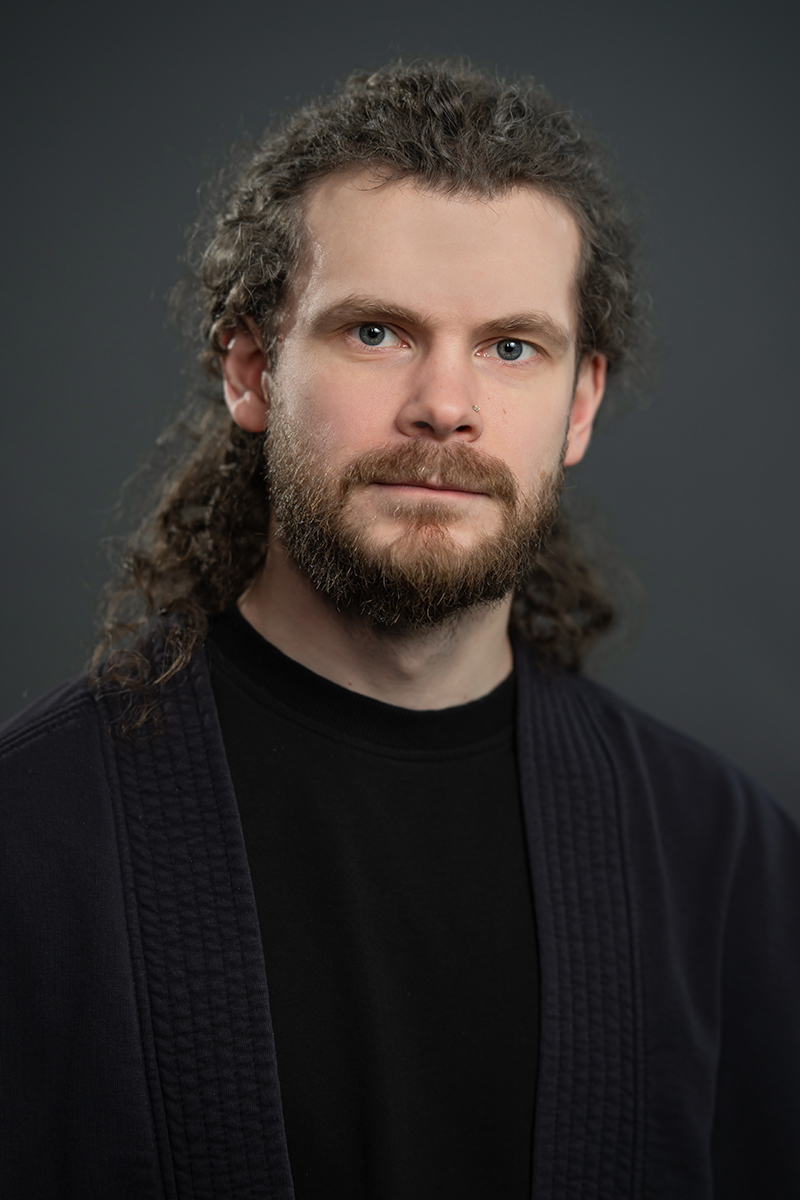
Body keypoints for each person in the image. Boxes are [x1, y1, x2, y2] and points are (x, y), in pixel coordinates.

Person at [1, 59, 798, 1200]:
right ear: (251, 371)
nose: (445, 406)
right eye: (375, 332)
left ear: (578, 404)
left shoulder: (725, 864)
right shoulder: (29, 842)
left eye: (511, 347)